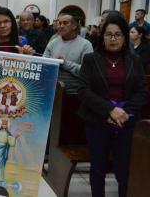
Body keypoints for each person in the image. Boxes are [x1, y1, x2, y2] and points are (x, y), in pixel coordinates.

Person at [78, 10, 148, 197]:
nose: (113, 39)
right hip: (97, 119)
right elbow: (83, 90)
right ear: (102, 37)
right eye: (108, 34)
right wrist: (110, 110)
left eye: (118, 34)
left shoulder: (135, 60)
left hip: (127, 121)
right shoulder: (91, 59)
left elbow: (142, 91)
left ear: (125, 37)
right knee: (98, 167)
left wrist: (124, 113)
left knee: (124, 168)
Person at [43, 13, 93, 94]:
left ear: (74, 26)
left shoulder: (86, 45)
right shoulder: (53, 43)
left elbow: (88, 73)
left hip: (75, 94)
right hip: (52, 92)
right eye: (59, 23)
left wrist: (65, 63)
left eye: (65, 23)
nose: (61, 26)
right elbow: (43, 65)